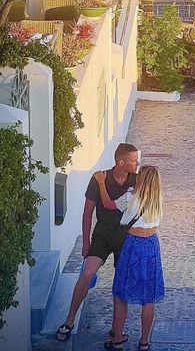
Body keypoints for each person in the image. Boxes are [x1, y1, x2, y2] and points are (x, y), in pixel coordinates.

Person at [56, 143, 139, 344]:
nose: (137, 163)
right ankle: (69, 320)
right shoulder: (99, 178)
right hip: (102, 235)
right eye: (134, 160)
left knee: (120, 285)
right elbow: (87, 213)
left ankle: (115, 330)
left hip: (125, 237)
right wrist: (86, 242)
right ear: (121, 162)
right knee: (86, 274)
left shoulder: (138, 180)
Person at [96, 165, 165, 351]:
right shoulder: (158, 200)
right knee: (148, 298)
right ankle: (144, 342)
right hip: (151, 245)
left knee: (121, 294)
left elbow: (108, 204)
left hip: (132, 244)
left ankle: (117, 340)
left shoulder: (129, 197)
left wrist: (102, 184)